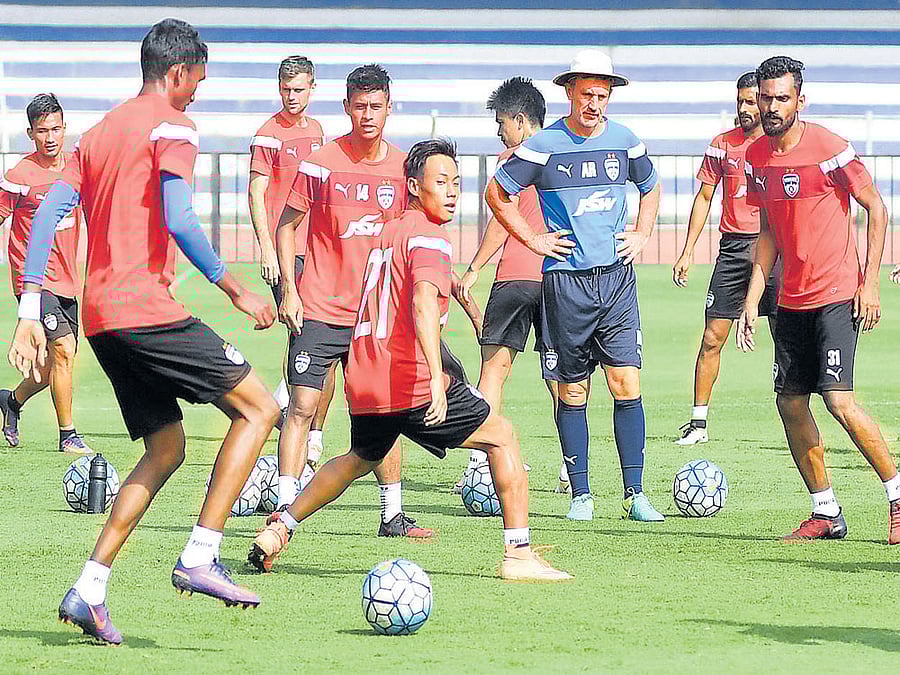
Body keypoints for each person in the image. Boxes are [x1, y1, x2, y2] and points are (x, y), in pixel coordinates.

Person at [8, 19, 280, 645]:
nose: (197, 96)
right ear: (179, 73)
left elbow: (48, 212)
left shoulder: (99, 132)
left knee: (166, 448)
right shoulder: (172, 123)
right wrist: (231, 284)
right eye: (198, 83)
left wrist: (28, 308)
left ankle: (89, 590)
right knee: (259, 408)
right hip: (144, 309)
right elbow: (182, 216)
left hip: (100, 319)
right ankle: (201, 555)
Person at [250, 139, 571, 581]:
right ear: (414, 188)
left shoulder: (387, 233)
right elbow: (422, 304)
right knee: (502, 437)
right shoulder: (429, 236)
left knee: (358, 458)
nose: (453, 192)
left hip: (365, 380)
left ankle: (280, 528)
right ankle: (518, 554)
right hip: (409, 379)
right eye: (441, 182)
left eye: (457, 183)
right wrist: (437, 380)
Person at [486, 50, 665, 522]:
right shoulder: (543, 146)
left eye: (603, 96)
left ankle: (635, 494)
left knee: (626, 382)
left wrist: (644, 232)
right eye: (587, 94)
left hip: (617, 281)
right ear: (569, 92)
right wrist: (533, 239)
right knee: (572, 391)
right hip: (565, 283)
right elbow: (496, 193)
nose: (595, 104)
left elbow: (651, 186)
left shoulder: (625, 141)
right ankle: (581, 495)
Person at [737, 55, 899, 544]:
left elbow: (876, 208)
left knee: (839, 401)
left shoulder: (829, 148)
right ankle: (825, 511)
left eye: (781, 98)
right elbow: (767, 231)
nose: (771, 106)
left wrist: (868, 281)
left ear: (799, 100)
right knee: (789, 402)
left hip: (835, 294)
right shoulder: (755, 158)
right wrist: (752, 298)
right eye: (765, 97)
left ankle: (897, 496)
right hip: (789, 301)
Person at [272, 64, 431, 537]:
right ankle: (283, 507)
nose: (367, 114)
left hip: (376, 317)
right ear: (345, 107)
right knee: (302, 404)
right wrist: (289, 288)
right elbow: (286, 225)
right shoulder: (321, 162)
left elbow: (415, 236)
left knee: (384, 409)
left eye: (376, 106)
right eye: (359, 106)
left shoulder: (405, 171)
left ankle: (392, 514)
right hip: (319, 307)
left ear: (389, 108)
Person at [456, 77, 569, 493]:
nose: (500, 132)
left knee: (493, 372)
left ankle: (477, 467)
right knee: (560, 376)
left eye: (502, 122)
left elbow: (503, 223)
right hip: (559, 279)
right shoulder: (566, 154)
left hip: (515, 277)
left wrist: (474, 269)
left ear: (521, 121)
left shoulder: (514, 158)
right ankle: (570, 467)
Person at [672, 71, 777, 445]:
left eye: (752, 101)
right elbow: (703, 197)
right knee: (712, 336)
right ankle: (698, 423)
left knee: (789, 337)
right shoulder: (722, 145)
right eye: (741, 102)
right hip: (733, 250)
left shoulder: (779, 145)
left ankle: (798, 416)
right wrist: (687, 251)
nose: (746, 108)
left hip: (776, 249)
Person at [248, 55, 335, 480]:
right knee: (303, 330)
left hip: (320, 250)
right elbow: (256, 192)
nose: (292, 97)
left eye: (299, 90)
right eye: (286, 90)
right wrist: (266, 248)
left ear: (312, 88)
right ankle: (301, 421)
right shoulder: (267, 135)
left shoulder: (319, 132)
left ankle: (308, 426)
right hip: (288, 252)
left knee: (324, 337)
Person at [0, 94, 92, 454]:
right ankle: (68, 435)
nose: (50, 137)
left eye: (55, 129)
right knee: (64, 350)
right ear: (30, 134)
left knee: (53, 361)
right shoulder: (19, 176)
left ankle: (12, 401)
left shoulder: (77, 171)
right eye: (42, 131)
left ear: (65, 129)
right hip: (34, 282)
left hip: (70, 281)